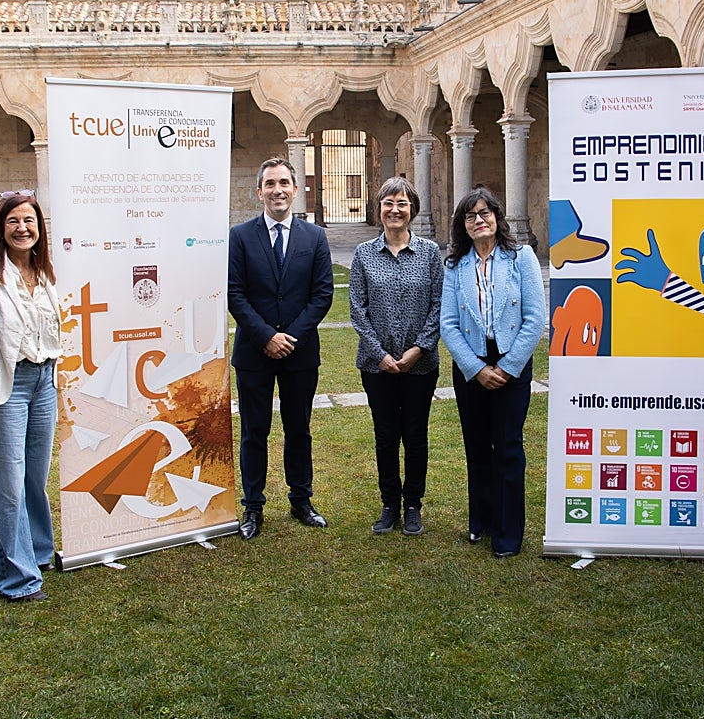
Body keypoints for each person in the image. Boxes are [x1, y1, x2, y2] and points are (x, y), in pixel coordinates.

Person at [228, 157, 334, 538]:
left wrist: (289, 338)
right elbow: (235, 294)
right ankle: (253, 507)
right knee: (254, 431)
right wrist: (266, 337)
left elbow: (322, 295)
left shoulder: (314, 237)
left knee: (298, 429)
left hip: (299, 353)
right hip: (254, 353)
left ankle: (301, 499)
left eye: (284, 183)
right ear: (260, 192)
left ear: (295, 188)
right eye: (270, 184)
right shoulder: (240, 236)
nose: (278, 190)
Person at [440, 186, 545, 557]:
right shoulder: (455, 265)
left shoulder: (521, 257)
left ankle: (508, 532)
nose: (479, 220)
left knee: (508, 447)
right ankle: (481, 520)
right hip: (471, 366)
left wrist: (508, 366)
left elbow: (535, 319)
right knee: (477, 446)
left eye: (485, 213)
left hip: (511, 362)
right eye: (471, 216)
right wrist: (476, 368)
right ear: (463, 225)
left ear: (497, 218)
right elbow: (448, 323)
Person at [0, 191, 62, 603]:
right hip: (5, 385)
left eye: (29, 220)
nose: (22, 228)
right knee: (5, 483)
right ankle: (15, 577)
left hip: (43, 381)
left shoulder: (45, 273)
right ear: (0, 227)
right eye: (13, 221)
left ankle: (38, 552)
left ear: (39, 227)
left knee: (33, 478)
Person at [349, 178, 443, 536]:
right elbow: (358, 310)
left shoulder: (430, 253)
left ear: (412, 209)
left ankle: (413, 505)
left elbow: (439, 305)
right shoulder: (363, 254)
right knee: (386, 435)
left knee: (416, 435)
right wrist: (380, 354)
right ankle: (389, 504)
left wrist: (419, 349)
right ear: (379, 209)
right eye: (388, 203)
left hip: (421, 365)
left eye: (402, 203)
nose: (394, 209)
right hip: (377, 367)